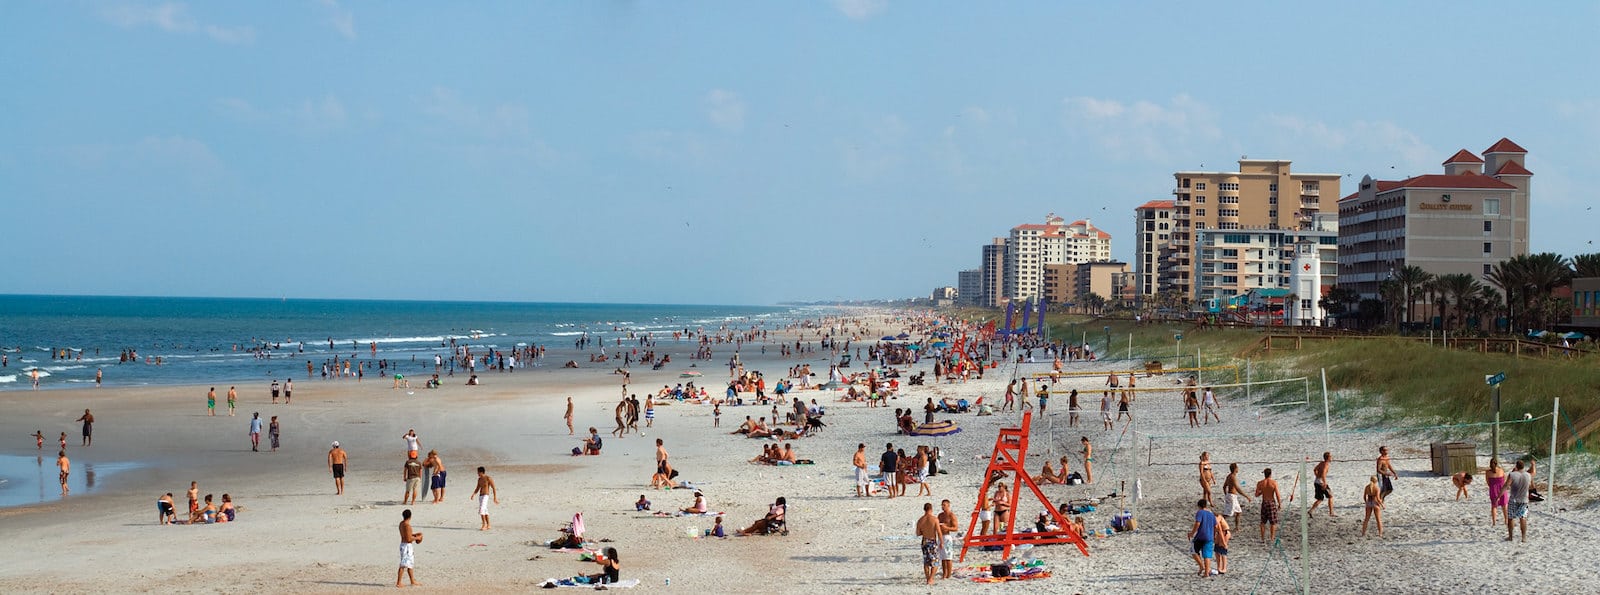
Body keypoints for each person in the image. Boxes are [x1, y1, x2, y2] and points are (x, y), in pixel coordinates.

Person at [1189, 498, 1217, 578]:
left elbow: (1198, 523)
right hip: (1210, 536)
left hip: (1201, 536)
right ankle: (1206, 573)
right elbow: (1216, 526)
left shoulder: (1200, 512)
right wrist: (1214, 535)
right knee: (1207, 555)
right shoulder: (1211, 514)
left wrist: (1192, 533)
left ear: (1199, 506)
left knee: (1193, 551)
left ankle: (1201, 566)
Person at [1506, 460, 1533, 542]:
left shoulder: (1512, 474)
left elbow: (1507, 485)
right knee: (1523, 518)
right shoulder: (1528, 475)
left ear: (1516, 466)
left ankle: (1510, 537)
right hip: (1524, 499)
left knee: (1511, 518)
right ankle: (1523, 537)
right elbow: (1531, 486)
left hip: (1514, 499)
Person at [915, 502, 941, 585]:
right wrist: (942, 542)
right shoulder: (934, 519)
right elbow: (939, 532)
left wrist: (925, 531)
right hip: (932, 541)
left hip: (924, 541)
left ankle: (927, 579)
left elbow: (918, 533)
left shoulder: (920, 520)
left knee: (926, 561)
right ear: (931, 509)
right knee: (935, 561)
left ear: (924, 509)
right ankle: (931, 578)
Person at [1221, 462, 1252, 526]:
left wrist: (1226, 495)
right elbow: (1238, 489)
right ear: (1235, 469)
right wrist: (1247, 496)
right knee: (1227, 514)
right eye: (1237, 467)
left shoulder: (1229, 476)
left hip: (1231, 496)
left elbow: (1224, 487)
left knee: (1238, 512)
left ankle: (1237, 527)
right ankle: (1217, 522)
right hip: (1232, 496)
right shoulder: (1232, 477)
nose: (1238, 469)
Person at [397, 509, 422, 588]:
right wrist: (417, 537)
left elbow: (406, 535)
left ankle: (412, 581)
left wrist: (414, 535)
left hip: (404, 545)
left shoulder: (401, 523)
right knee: (403, 564)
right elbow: (408, 539)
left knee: (410, 564)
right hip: (406, 546)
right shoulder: (407, 526)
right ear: (410, 516)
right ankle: (399, 582)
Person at [1255, 468, 1281, 542]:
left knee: (1263, 522)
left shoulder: (1260, 483)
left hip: (1264, 503)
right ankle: (1272, 538)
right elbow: (1277, 494)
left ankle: (1263, 539)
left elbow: (1256, 494)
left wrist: (1262, 492)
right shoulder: (1273, 483)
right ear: (1270, 474)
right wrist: (1279, 503)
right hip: (1271, 502)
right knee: (1273, 522)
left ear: (1264, 474)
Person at [936, 499, 958, 579]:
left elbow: (956, 528)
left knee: (948, 557)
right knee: (942, 557)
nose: (943, 507)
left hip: (947, 536)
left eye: (944, 505)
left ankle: (949, 574)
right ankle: (944, 573)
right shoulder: (940, 515)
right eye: (942, 505)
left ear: (948, 506)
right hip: (941, 537)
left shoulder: (951, 515)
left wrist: (947, 527)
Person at [471, 466, 498, 530]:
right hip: (480, 496)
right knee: (485, 510)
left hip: (486, 495)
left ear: (481, 472)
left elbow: (493, 488)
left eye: (478, 472)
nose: (477, 474)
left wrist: (495, 498)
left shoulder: (488, 478)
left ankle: (484, 524)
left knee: (482, 510)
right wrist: (473, 494)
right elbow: (477, 488)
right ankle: (488, 524)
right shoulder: (479, 479)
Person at [1311, 451, 1335, 518]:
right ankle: (1331, 513)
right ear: (1328, 458)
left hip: (1316, 481)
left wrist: (1317, 476)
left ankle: (1311, 510)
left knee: (1320, 499)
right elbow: (1323, 474)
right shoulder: (1326, 465)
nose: (1332, 458)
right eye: (1331, 457)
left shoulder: (1321, 463)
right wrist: (1324, 483)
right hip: (1321, 483)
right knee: (1330, 496)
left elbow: (1315, 469)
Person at [1486, 459, 1508, 524]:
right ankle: (1506, 520)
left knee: (1494, 506)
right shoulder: (1501, 470)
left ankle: (1494, 521)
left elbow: (1487, 482)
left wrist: (1492, 486)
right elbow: (1505, 479)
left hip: (1493, 489)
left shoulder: (1488, 472)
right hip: (1502, 489)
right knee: (1504, 506)